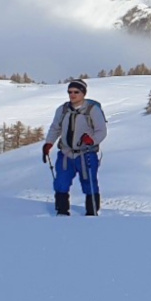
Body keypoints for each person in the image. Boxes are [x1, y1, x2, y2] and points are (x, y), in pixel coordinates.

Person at [43, 79, 106, 216]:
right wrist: (48, 143)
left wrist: (92, 140)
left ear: (83, 93)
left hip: (86, 153)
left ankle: (92, 212)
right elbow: (55, 128)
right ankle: (62, 211)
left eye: (76, 92)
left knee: (89, 182)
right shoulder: (63, 109)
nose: (72, 95)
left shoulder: (92, 110)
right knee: (61, 182)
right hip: (66, 153)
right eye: (70, 92)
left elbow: (101, 130)